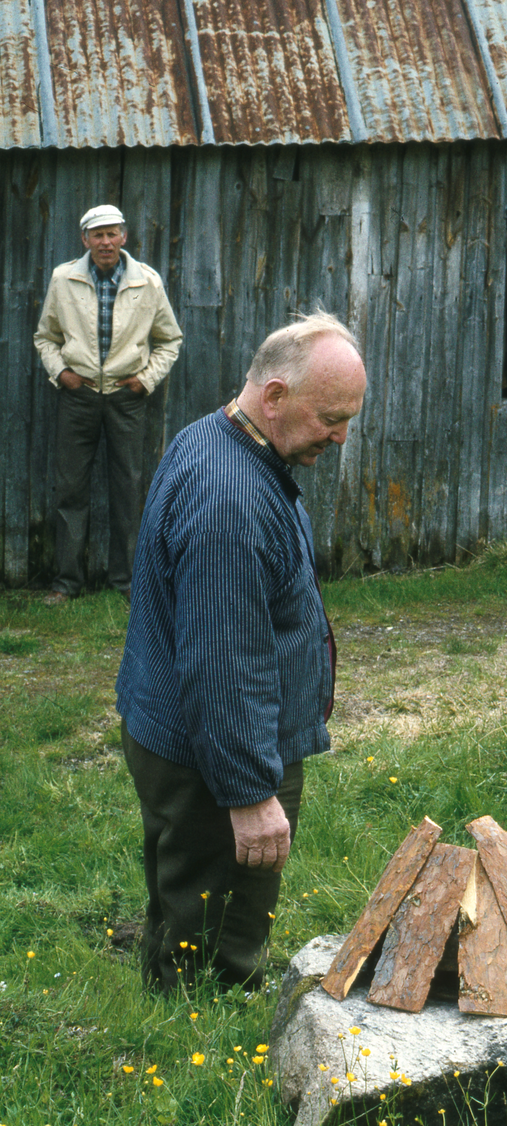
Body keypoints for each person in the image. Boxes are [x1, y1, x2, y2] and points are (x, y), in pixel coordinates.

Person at [115, 312, 367, 992]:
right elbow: (223, 663)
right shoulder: (229, 494)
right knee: (217, 933)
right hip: (211, 755)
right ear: (276, 396)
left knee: (189, 892)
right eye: (330, 417)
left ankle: (174, 978)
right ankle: (198, 1038)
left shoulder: (220, 437)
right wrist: (251, 792)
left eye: (348, 418)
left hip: (186, 738)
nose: (341, 435)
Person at [34, 204, 183, 603]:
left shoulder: (146, 283)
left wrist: (144, 381)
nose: (105, 242)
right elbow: (45, 337)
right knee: (70, 489)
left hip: (125, 398)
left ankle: (129, 581)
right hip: (78, 396)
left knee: (128, 487)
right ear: (85, 240)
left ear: (124, 237)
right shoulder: (63, 279)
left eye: (112, 233)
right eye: (97, 235)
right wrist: (61, 374)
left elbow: (170, 340)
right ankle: (66, 583)